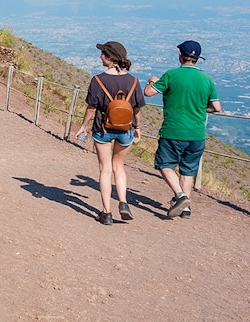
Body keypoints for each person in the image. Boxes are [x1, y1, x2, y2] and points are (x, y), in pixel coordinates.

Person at [144, 40, 221, 219]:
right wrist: (201, 108)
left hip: (173, 130)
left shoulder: (171, 75)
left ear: (180, 55)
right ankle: (185, 209)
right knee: (188, 171)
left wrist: (152, 81)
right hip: (197, 134)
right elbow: (217, 107)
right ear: (197, 58)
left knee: (164, 164)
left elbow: (148, 92)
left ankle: (180, 196)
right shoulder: (206, 79)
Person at [74, 42, 144, 225]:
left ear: (110, 58)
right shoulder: (134, 81)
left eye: (103, 54)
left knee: (105, 169)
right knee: (119, 167)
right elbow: (137, 109)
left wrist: (83, 126)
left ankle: (107, 212)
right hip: (125, 130)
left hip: (103, 129)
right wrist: (138, 127)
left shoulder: (98, 80)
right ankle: (123, 202)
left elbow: (91, 108)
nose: (100, 57)